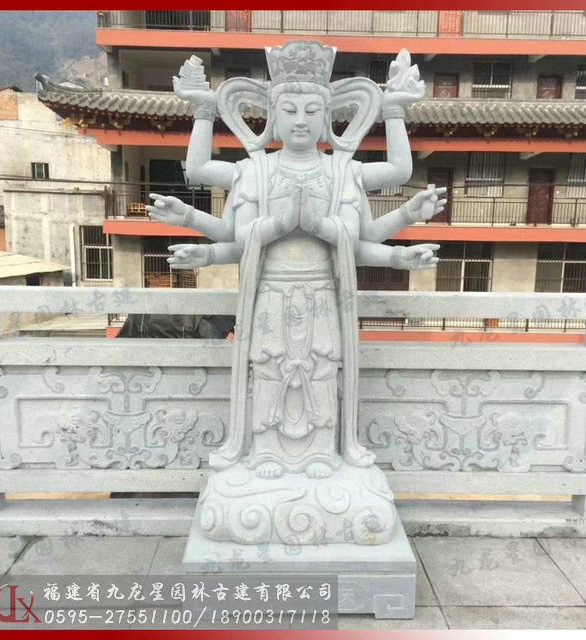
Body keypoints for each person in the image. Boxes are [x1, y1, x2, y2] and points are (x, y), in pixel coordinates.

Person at [146, 41, 447, 545]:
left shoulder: (341, 171)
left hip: (323, 296)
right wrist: (203, 113)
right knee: (268, 368)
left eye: (312, 110)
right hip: (270, 295)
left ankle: (321, 455)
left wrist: (395, 113)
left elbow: (391, 188)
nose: (301, 120)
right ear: (272, 118)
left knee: (322, 369)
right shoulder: (256, 170)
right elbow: (213, 198)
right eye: (288, 109)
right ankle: (266, 452)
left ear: (328, 118)